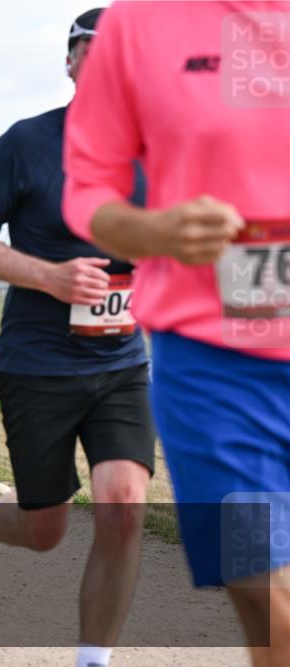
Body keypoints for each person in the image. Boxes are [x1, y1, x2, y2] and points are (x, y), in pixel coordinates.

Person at [61, 3, 290, 665]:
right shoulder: (138, 26)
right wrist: (155, 232)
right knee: (263, 583)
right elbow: (91, 185)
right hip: (219, 369)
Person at [0, 10, 157, 667]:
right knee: (45, 530)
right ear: (70, 64)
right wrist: (51, 276)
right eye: (91, 53)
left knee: (124, 504)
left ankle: (92, 659)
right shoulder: (28, 142)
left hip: (122, 363)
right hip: (38, 364)